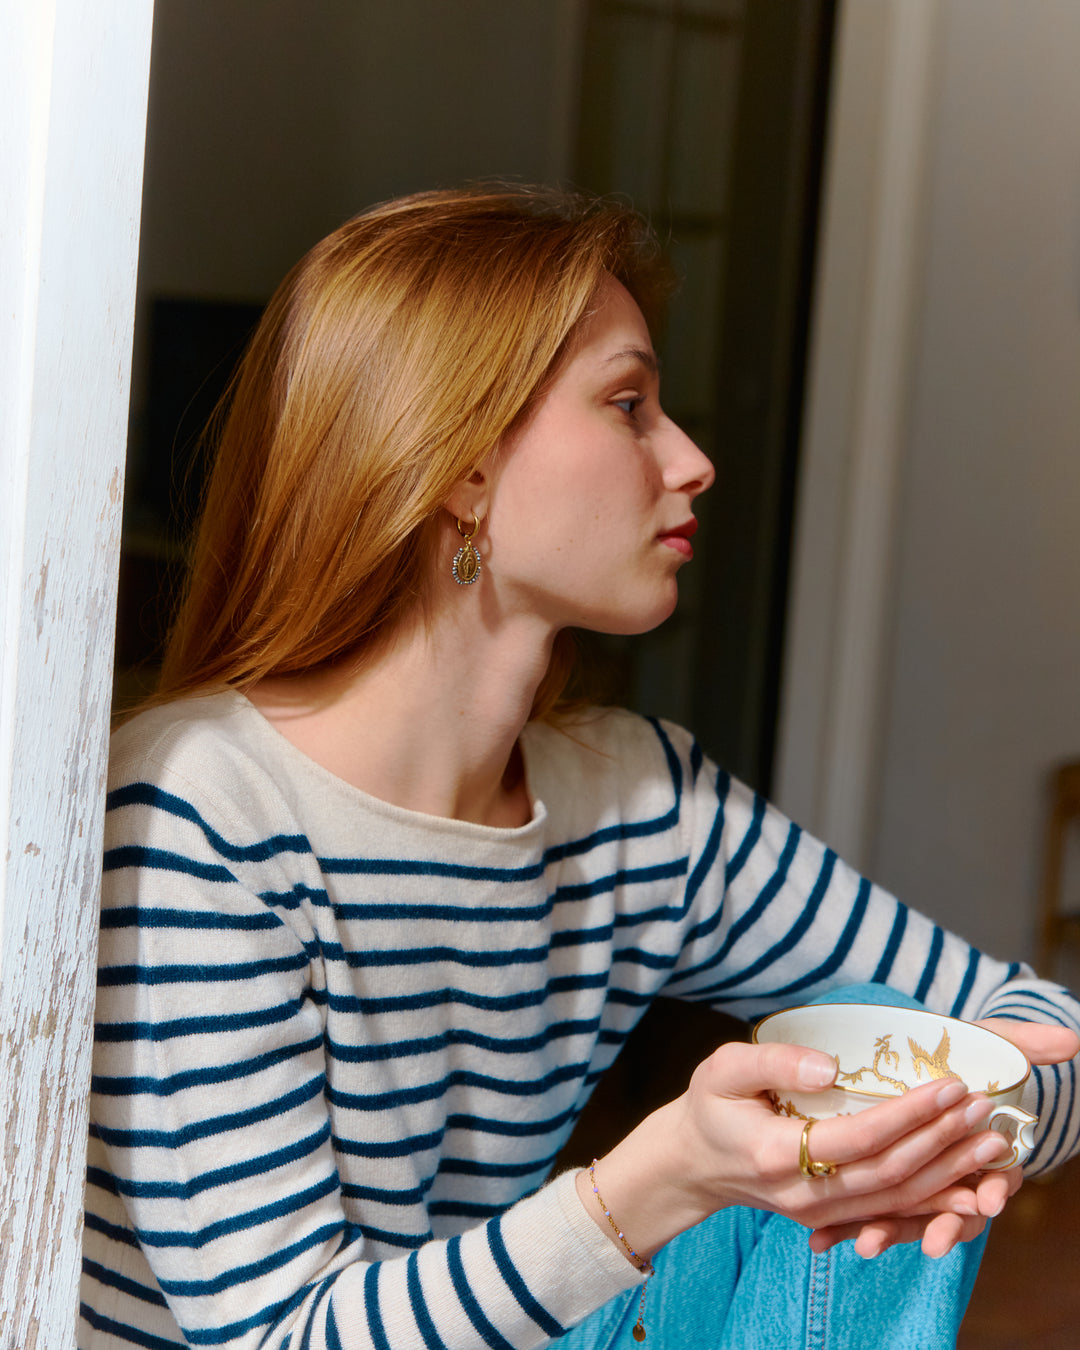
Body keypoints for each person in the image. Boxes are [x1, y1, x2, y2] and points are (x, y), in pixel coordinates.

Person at [81, 185, 1080, 1350]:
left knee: (881, 1053)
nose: (694, 460)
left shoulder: (646, 804)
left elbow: (1038, 1021)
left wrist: (975, 1124)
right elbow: (273, 1340)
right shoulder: (198, 814)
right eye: (628, 405)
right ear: (459, 465)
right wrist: (664, 1180)